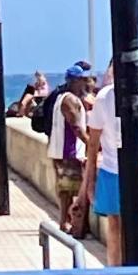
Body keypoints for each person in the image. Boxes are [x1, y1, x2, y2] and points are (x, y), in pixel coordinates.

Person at [85, 74, 138, 275]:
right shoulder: (104, 98)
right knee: (115, 228)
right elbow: (92, 144)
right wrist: (89, 182)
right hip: (113, 171)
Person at [47, 66, 90, 232]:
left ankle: (67, 221)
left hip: (64, 151)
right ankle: (65, 222)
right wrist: (91, 145)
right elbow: (76, 127)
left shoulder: (63, 97)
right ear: (76, 81)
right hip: (68, 151)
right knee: (68, 188)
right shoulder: (69, 100)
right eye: (84, 80)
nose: (86, 83)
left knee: (69, 187)